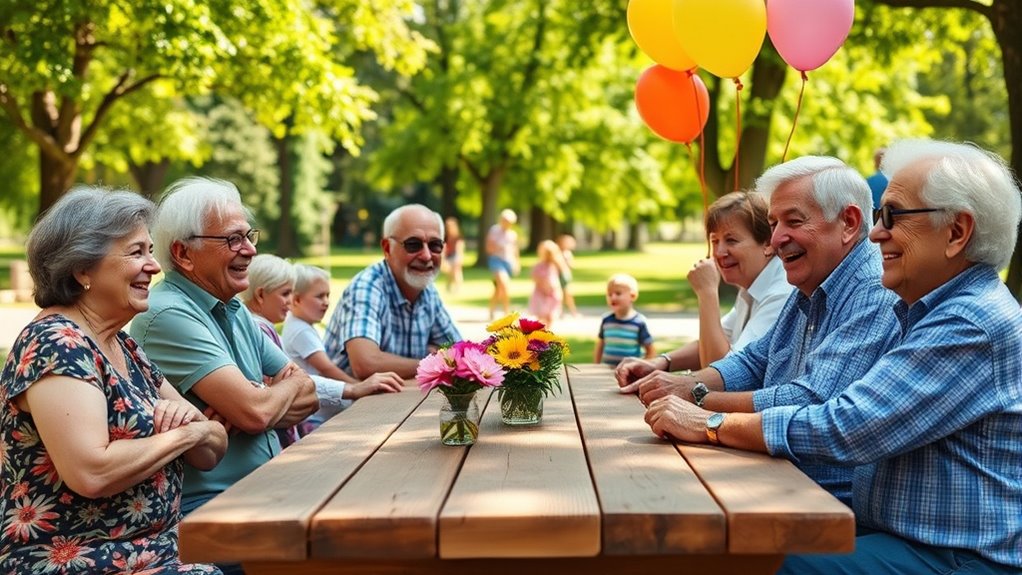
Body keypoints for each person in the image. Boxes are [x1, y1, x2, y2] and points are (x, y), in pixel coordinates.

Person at [644, 139, 1022, 575]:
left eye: (892, 217)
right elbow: (759, 361)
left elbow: (844, 425)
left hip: (956, 558)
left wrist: (706, 419)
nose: (877, 233)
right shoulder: (926, 306)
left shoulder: (967, 322)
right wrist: (687, 390)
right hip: (898, 535)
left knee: (758, 563)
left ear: (956, 233)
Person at [618, 156, 900, 505]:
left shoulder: (872, 291)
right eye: (773, 223)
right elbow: (755, 360)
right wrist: (685, 384)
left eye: (792, 221)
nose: (777, 238)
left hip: (820, 498)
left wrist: (699, 404)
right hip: (779, 476)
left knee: (660, 512)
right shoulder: (813, 282)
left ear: (848, 222)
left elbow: (812, 400)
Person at [1, 187, 227, 574]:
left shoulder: (121, 344)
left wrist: (198, 431)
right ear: (82, 268)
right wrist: (184, 435)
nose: (154, 266)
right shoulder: (56, 343)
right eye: (136, 252)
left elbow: (213, 447)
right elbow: (92, 471)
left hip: (158, 550)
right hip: (80, 561)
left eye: (150, 251)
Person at [129, 178, 319, 528]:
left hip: (266, 491)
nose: (249, 250)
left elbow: (308, 394)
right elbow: (256, 414)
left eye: (249, 236)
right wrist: (266, 397)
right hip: (213, 509)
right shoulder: (168, 313)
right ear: (183, 253)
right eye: (233, 239)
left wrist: (260, 395)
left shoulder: (235, 307)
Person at [618, 191, 792, 374]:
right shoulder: (753, 285)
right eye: (715, 241)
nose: (719, 252)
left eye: (731, 240)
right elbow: (717, 338)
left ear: (768, 244)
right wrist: (660, 362)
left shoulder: (780, 294)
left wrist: (707, 293)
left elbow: (721, 372)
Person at [323, 204, 461, 379]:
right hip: (348, 405)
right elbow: (365, 364)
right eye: (413, 245)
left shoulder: (427, 292)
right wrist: (435, 361)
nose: (426, 255)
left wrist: (445, 358)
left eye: (435, 245)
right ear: (387, 248)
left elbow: (461, 352)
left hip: (394, 399)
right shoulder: (368, 286)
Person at [282, 263, 403, 431]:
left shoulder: (299, 325)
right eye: (319, 296)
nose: (326, 302)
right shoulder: (301, 331)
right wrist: (359, 387)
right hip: (315, 417)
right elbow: (327, 368)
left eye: (328, 295)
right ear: (297, 300)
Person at [240, 253, 302, 447]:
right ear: (260, 294)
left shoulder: (259, 325)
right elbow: (290, 380)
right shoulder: (261, 329)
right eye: (285, 294)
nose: (291, 301)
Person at [594, 273, 655, 365]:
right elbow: (600, 345)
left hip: (629, 373)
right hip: (606, 369)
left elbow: (651, 351)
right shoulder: (606, 320)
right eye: (609, 294)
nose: (613, 297)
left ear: (632, 296)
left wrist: (642, 366)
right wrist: (596, 365)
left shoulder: (639, 322)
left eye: (618, 293)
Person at [486, 208, 520, 319]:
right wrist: (498, 246)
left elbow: (515, 250)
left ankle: (491, 309)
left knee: (499, 288)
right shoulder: (494, 230)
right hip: (496, 260)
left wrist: (517, 263)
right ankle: (506, 312)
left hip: (508, 262)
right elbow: (489, 248)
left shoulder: (512, 234)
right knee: (504, 285)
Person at [528, 240, 566, 326]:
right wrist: (542, 284)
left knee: (551, 316)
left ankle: (548, 332)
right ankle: (542, 333)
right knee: (541, 316)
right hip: (540, 294)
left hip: (553, 294)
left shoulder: (555, 265)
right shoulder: (538, 266)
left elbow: (562, 271)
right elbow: (534, 277)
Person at [556, 233, 579, 316]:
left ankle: (572, 311)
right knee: (560, 295)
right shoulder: (557, 253)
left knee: (567, 294)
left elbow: (571, 265)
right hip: (559, 276)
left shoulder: (567, 253)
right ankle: (561, 312)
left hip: (565, 276)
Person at [443, 216, 466, 294]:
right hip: (448, 255)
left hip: (455, 254)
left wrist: (460, 256)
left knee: (457, 271)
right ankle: (449, 285)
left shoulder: (458, 236)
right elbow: (444, 246)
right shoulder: (445, 236)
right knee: (450, 272)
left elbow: (460, 246)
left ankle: (457, 288)